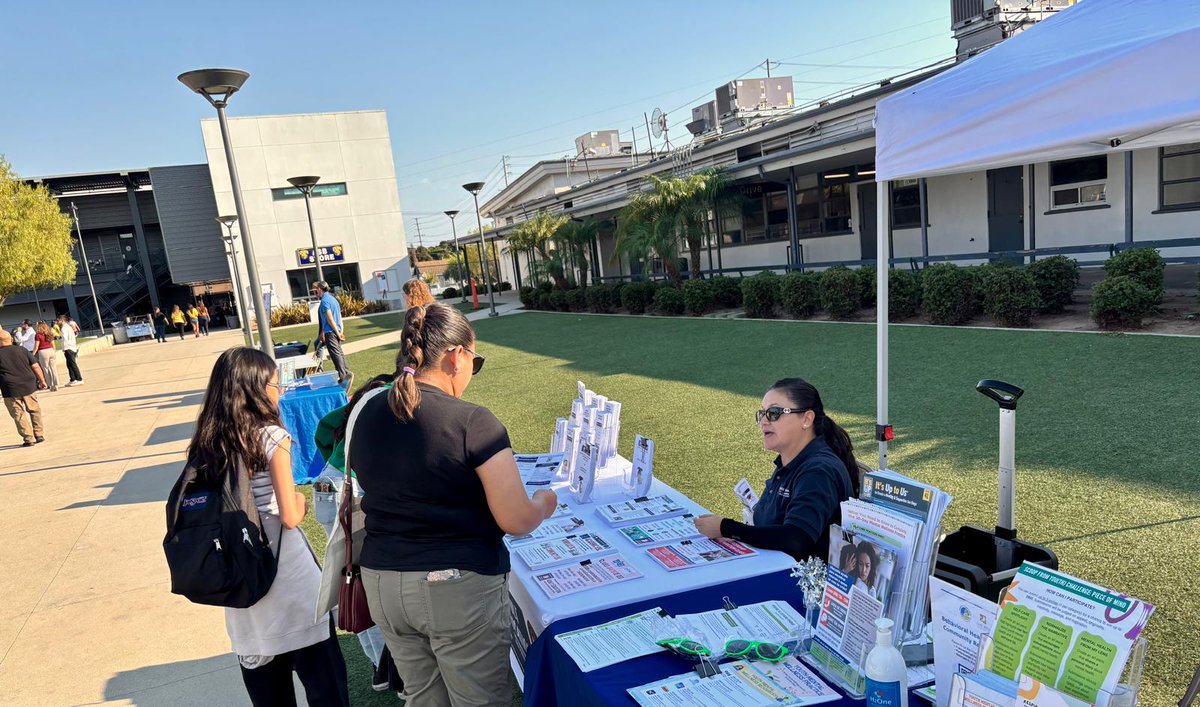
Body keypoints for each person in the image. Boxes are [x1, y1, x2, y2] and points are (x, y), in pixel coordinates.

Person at [351, 303, 558, 706]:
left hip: (381, 580)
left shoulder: (366, 412)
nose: (471, 373)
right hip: (452, 585)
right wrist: (544, 502)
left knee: (423, 699)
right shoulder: (472, 421)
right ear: (456, 355)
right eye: (474, 361)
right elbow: (516, 518)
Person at [187, 347, 350, 706]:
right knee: (326, 685)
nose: (280, 391)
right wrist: (303, 503)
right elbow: (289, 514)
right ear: (257, 388)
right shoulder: (270, 436)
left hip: (242, 580)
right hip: (288, 577)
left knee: (269, 693)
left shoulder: (208, 441)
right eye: (277, 384)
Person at [693, 378, 860, 562]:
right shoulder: (791, 461)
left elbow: (796, 538)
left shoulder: (819, 471)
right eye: (762, 413)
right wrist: (737, 534)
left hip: (803, 586)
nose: (763, 421)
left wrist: (727, 528)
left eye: (774, 413)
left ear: (806, 419)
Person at [0, 330, 47, 446]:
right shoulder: (22, 350)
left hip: (10, 389)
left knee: (18, 414)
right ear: (11, 339)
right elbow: (35, 366)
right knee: (34, 410)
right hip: (28, 386)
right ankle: (39, 434)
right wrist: (42, 381)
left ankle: (28, 438)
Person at [312, 281, 349, 384]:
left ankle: (343, 377)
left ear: (319, 289)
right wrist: (340, 331)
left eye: (315, 291)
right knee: (339, 353)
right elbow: (339, 318)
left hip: (331, 333)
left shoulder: (325, 301)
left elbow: (330, 319)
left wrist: (337, 333)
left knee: (336, 355)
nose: (314, 293)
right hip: (336, 331)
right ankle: (346, 373)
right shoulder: (333, 299)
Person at [57, 315, 84, 386]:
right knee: (69, 364)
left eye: (58, 320)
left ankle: (79, 379)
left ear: (62, 320)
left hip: (68, 348)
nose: (57, 322)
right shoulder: (67, 327)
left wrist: (64, 348)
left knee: (72, 364)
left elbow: (65, 339)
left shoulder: (64, 328)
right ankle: (73, 379)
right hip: (71, 347)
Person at [33, 322, 59, 392]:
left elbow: (36, 346)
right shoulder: (50, 333)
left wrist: (32, 354)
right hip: (51, 350)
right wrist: (54, 351)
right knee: (53, 368)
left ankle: (50, 385)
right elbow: (53, 344)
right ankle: (56, 384)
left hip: (43, 352)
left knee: (46, 369)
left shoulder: (38, 335)